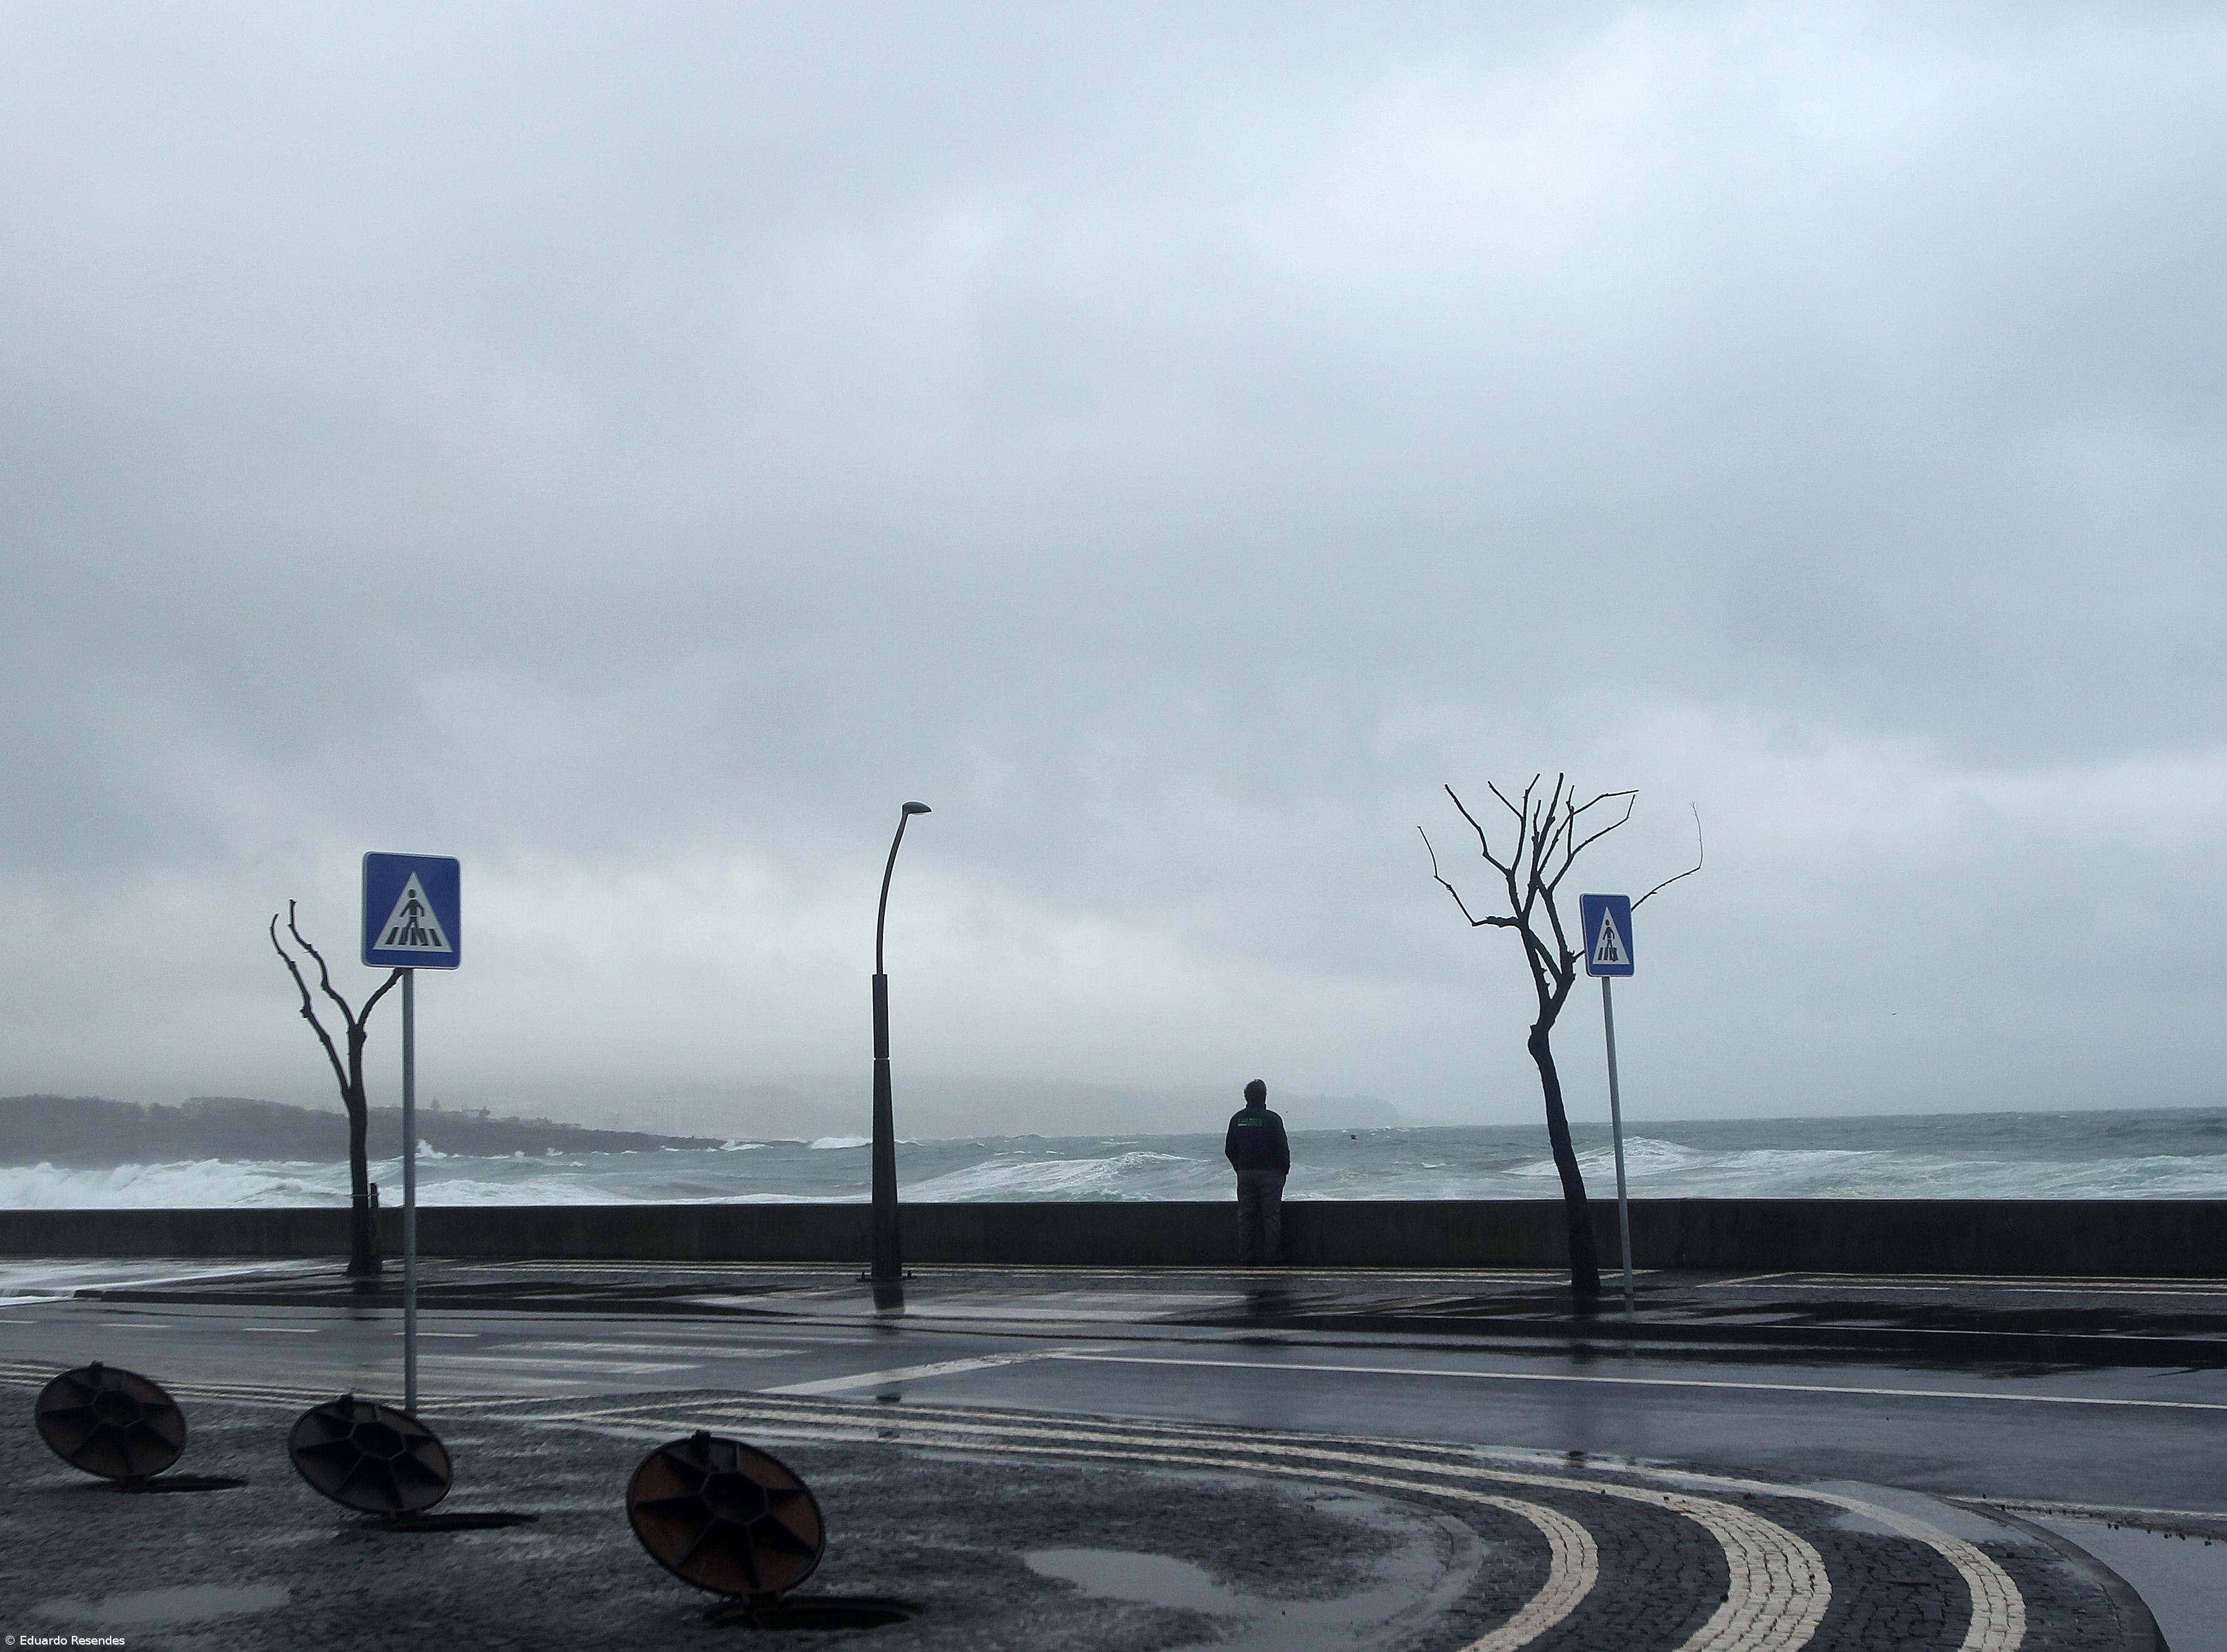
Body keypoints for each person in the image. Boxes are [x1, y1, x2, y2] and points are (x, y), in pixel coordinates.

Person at [1223, 1079, 1290, 1265]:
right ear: (1264, 1096)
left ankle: (1246, 1257)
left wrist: (1240, 1168)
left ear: (1246, 1097)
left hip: (1245, 1174)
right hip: (1270, 1174)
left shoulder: (1237, 1119)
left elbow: (1230, 1149)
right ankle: (1273, 1257)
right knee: (1271, 1216)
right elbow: (1282, 1149)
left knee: (1245, 1216)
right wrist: (1283, 1171)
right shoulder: (1273, 1119)